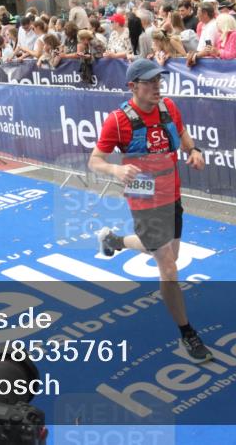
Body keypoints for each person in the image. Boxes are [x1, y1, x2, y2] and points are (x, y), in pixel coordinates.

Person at [90, 59, 211, 363]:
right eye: (149, 82)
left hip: (171, 192)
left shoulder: (169, 107)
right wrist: (115, 171)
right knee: (168, 267)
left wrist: (194, 152)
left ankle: (114, 242)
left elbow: (184, 138)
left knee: (169, 253)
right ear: (133, 86)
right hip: (143, 196)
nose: (157, 87)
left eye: (159, 80)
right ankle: (187, 333)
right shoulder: (118, 120)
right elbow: (95, 161)